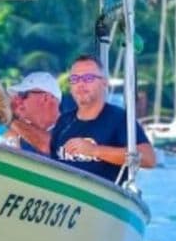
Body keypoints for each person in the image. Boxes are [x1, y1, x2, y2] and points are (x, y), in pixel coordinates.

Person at [50, 55, 156, 183]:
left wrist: (95, 151)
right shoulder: (64, 121)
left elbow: (149, 159)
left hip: (104, 199)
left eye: (88, 78)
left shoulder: (119, 119)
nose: (81, 84)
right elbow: (51, 157)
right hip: (64, 198)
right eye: (75, 79)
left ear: (104, 83)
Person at [5, 71, 62, 154]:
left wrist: (11, 119)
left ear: (45, 98)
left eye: (23, 95)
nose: (17, 101)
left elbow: (50, 146)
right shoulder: (24, 132)